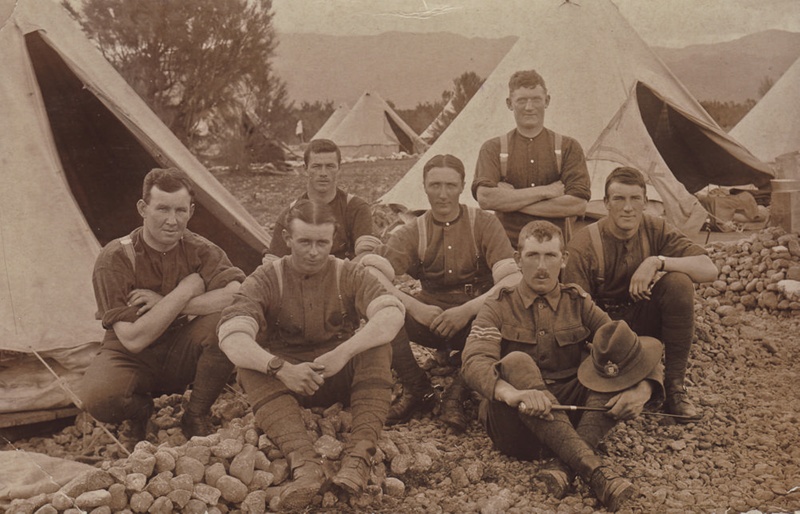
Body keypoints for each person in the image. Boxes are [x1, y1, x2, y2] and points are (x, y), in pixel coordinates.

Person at [462, 220, 664, 511]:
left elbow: (629, 347)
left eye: (550, 256)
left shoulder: (578, 301)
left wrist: (643, 390)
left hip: (572, 417)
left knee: (605, 365)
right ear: (519, 260)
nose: (542, 267)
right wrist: (513, 394)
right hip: (516, 425)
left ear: (564, 259)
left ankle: (564, 466)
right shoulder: (497, 305)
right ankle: (595, 471)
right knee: (518, 362)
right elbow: (473, 362)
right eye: (533, 256)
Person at [217, 200, 405, 511]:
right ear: (288, 239)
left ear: (334, 241)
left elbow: (391, 314)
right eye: (304, 242)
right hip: (285, 384)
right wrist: (279, 368)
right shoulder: (267, 277)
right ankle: (304, 464)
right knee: (248, 365)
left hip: (337, 375)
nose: (314, 251)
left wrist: (343, 353)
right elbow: (231, 335)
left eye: (322, 242)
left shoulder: (349, 273)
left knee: (377, 346)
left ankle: (359, 456)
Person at [81, 167, 245, 448]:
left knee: (227, 323)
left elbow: (237, 295)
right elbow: (133, 339)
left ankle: (196, 415)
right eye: (162, 209)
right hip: (131, 354)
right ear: (143, 208)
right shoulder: (116, 257)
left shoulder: (200, 249)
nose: (172, 221)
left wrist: (175, 303)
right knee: (99, 398)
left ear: (191, 211)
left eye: (180, 211)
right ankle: (140, 414)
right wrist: (186, 289)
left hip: (181, 345)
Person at [362, 154, 520, 432]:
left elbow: (512, 278)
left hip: (476, 319)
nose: (443, 194)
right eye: (435, 185)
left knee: (514, 311)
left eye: (450, 185)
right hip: (429, 318)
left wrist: (467, 311)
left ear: (462, 186)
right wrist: (414, 307)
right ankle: (417, 388)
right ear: (424, 186)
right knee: (383, 308)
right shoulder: (413, 230)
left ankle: (458, 394)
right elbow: (370, 274)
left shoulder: (483, 222)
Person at [563, 167, 719, 420]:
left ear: (646, 202)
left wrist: (656, 261)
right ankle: (637, 381)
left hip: (642, 320)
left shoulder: (655, 228)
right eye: (619, 199)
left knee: (678, 282)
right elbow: (575, 314)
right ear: (606, 204)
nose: (628, 208)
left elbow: (709, 269)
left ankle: (674, 388)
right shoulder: (584, 243)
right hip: (602, 329)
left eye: (635, 199)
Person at [472, 69, 591, 247]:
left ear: (547, 101)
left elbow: (578, 205)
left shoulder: (568, 147)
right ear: (509, 103)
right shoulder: (492, 148)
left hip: (554, 253)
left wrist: (509, 200)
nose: (529, 107)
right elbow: (486, 199)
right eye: (521, 100)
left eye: (536, 99)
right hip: (506, 251)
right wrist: (545, 192)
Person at [268, 138, 380, 261]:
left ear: (339, 168)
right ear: (305, 169)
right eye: (316, 166)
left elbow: (367, 256)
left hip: (346, 276)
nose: (323, 173)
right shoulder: (290, 213)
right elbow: (273, 263)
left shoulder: (356, 208)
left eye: (330, 166)